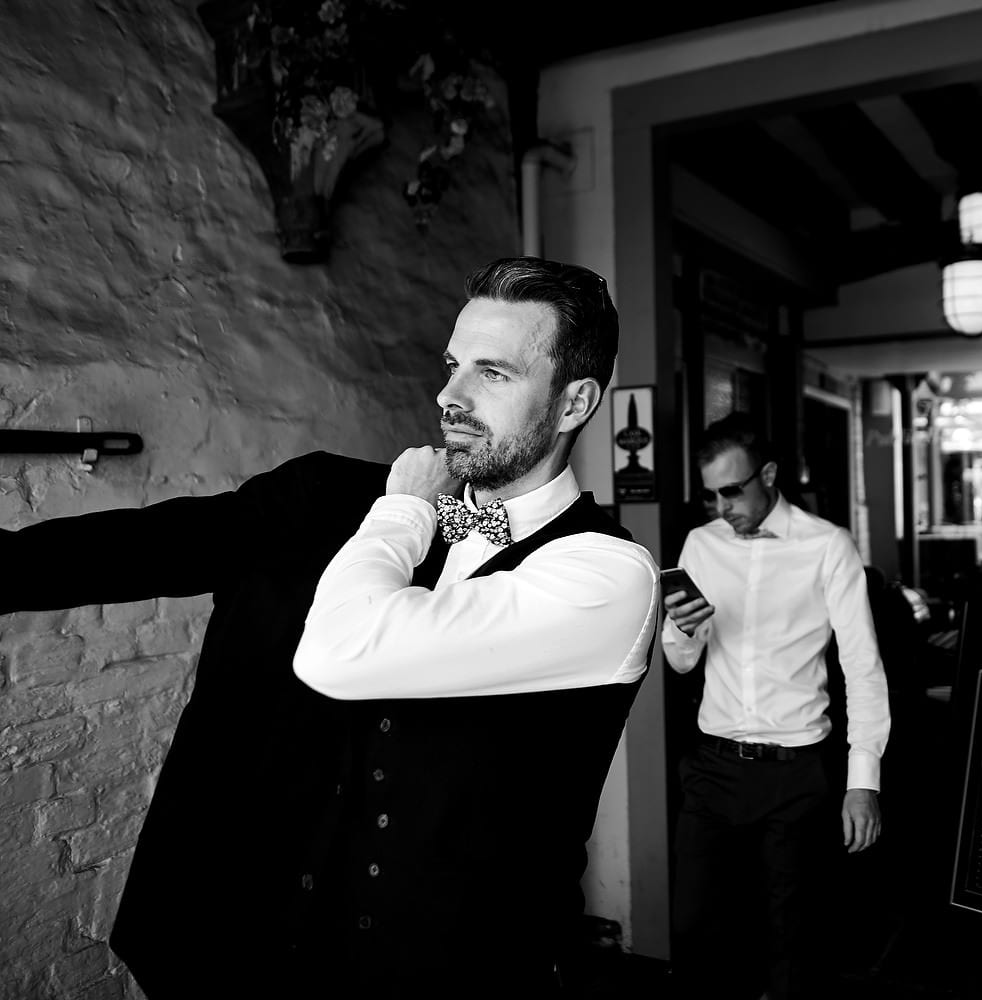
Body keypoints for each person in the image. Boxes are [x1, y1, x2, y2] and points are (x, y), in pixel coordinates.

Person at [0, 256, 659, 999]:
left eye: (494, 373)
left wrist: (403, 512)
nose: (449, 395)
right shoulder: (323, 495)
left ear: (575, 404)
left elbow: (347, 650)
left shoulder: (607, 576)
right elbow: (146, 548)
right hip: (221, 951)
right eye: (452, 364)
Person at [662, 413, 891, 1000]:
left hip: (796, 774)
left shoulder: (827, 545)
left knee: (792, 941)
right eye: (711, 494)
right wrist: (683, 632)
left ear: (768, 474)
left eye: (732, 491)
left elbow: (861, 665)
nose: (721, 507)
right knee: (696, 926)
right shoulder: (700, 544)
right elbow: (682, 661)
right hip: (713, 769)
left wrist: (862, 780)